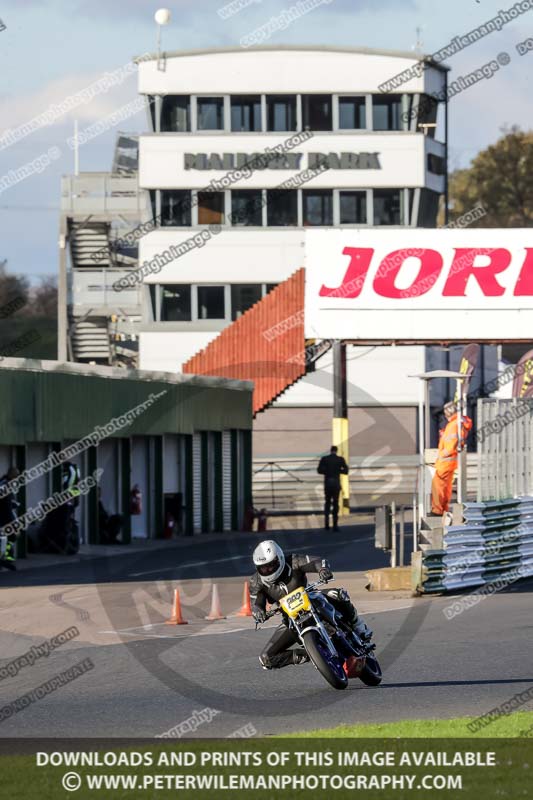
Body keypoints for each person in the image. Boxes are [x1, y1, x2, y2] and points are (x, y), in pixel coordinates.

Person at [250, 539, 371, 670]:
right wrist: (258, 612)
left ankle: (359, 627)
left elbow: (317, 561)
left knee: (337, 594)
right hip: (291, 619)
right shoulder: (256, 581)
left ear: (279, 558)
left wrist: (323, 570)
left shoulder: (294, 561)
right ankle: (311, 654)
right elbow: (256, 602)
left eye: (270, 565)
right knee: (266, 658)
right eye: (262, 568)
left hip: (311, 598)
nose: (267, 570)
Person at [431, 401, 473, 516]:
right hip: (450, 462)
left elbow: (450, 447)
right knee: (446, 487)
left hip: (445, 462)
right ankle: (442, 509)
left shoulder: (453, 425)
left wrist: (440, 456)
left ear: (447, 413)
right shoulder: (457, 424)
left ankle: (437, 510)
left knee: (438, 486)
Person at [317, 445, 349, 531]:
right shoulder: (340, 459)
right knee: (335, 503)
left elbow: (319, 470)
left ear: (330, 451)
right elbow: (346, 471)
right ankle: (335, 525)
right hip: (336, 484)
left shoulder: (325, 459)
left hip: (328, 484)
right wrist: (338, 470)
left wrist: (327, 471)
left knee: (327, 502)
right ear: (336, 451)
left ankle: (326, 524)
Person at [0, 467, 20, 570]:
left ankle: (7, 557)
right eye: (16, 476)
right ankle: (6, 558)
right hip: (4, 516)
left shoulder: (5, 483)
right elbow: (7, 504)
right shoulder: (5, 485)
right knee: (10, 536)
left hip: (5, 515)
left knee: (9, 537)